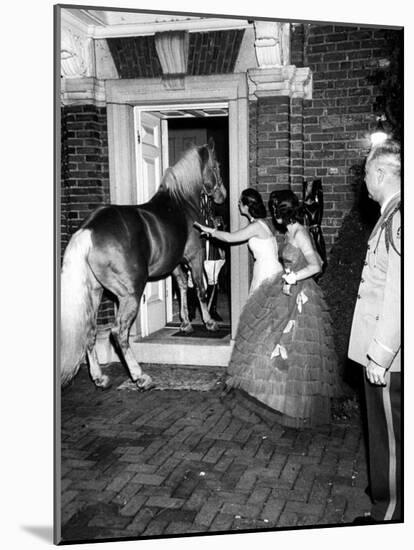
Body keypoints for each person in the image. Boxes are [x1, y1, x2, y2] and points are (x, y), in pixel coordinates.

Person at [348, 140, 401, 524]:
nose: (363, 180)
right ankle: (382, 493)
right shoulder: (390, 216)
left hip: (389, 359)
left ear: (381, 173)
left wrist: (380, 353)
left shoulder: (398, 219)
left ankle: (391, 516)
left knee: (392, 440)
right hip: (382, 353)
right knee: (383, 435)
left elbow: (399, 293)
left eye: (366, 172)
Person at [194, 188, 282, 293]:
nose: (238, 204)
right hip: (269, 268)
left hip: (267, 271)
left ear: (246, 206)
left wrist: (208, 230)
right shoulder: (263, 222)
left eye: (240, 202)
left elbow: (229, 238)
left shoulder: (256, 226)